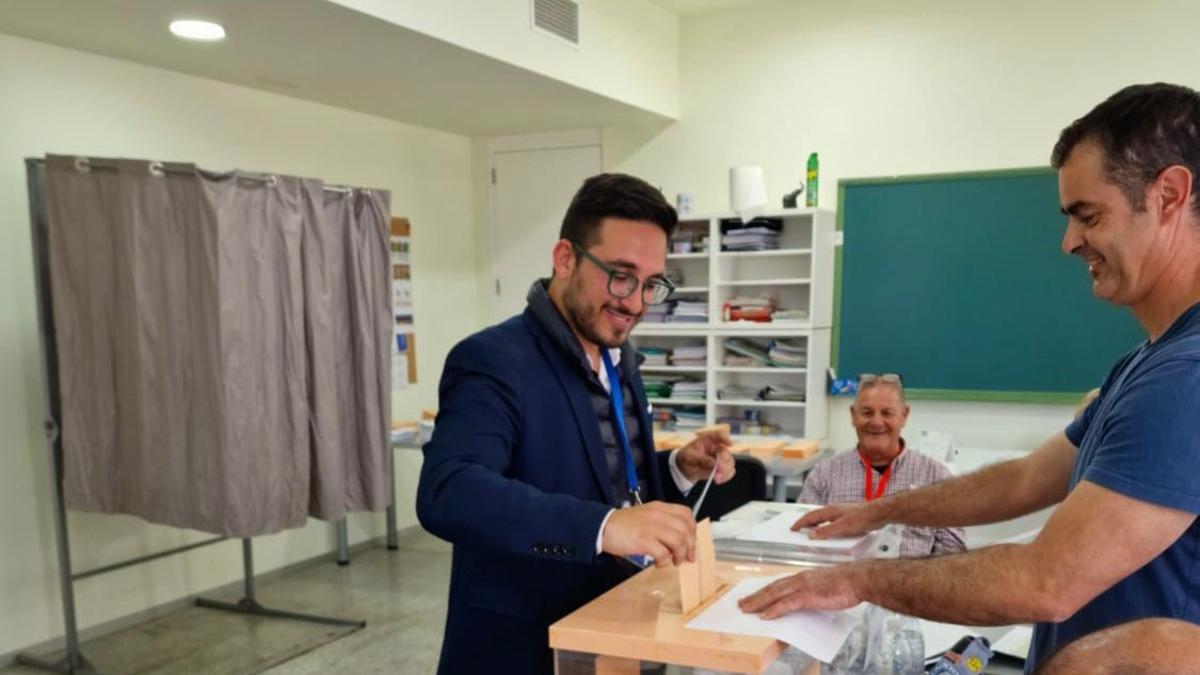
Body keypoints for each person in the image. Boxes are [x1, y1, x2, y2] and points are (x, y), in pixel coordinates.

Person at [738, 82, 1200, 673]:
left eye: (1089, 216)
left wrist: (859, 579)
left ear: (1168, 195)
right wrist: (881, 512)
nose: (1069, 242)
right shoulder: (1145, 363)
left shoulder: (1184, 379)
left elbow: (1043, 580)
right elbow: (1024, 480)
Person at [417, 173, 735, 675]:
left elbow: (600, 475)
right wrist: (604, 527)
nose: (634, 302)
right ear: (565, 259)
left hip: (616, 631)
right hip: (524, 645)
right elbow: (450, 491)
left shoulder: (620, 356)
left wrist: (676, 468)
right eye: (621, 275)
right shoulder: (493, 359)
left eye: (651, 284)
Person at [798, 373, 965, 557]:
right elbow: (801, 542)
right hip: (838, 580)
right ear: (853, 416)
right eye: (867, 412)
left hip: (907, 582)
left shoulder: (937, 477)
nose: (876, 422)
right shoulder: (823, 474)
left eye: (887, 413)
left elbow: (953, 555)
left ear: (904, 416)